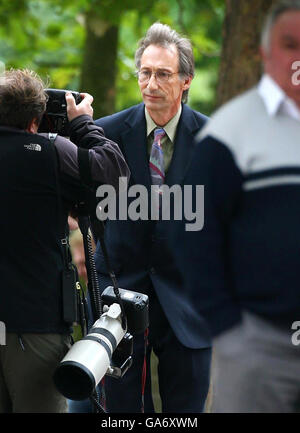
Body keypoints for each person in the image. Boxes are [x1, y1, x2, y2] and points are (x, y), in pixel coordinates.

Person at [172, 0, 300, 413]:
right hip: (258, 344)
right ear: (265, 53)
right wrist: (226, 325)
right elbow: (190, 225)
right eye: (289, 44)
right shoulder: (233, 130)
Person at [94, 22, 211, 413]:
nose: (151, 83)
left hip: (191, 302)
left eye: (163, 74)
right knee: (122, 414)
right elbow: (85, 206)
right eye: (145, 72)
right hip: (120, 297)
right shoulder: (104, 134)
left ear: (186, 80)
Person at [0, 68, 129, 413]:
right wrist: (82, 124)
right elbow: (113, 175)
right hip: (34, 326)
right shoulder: (51, 153)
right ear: (34, 121)